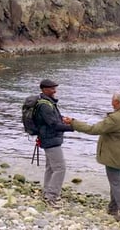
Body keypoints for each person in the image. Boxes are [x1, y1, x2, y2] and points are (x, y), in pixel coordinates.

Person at [65, 91, 120, 225]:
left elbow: (93, 129)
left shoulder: (115, 119)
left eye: (112, 99)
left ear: (117, 102)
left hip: (114, 156)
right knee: (117, 183)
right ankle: (112, 208)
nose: (111, 101)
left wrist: (73, 122)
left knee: (116, 185)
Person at [34, 79, 74, 208]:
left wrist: (65, 120)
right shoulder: (45, 105)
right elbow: (54, 125)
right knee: (60, 168)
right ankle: (51, 197)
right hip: (50, 140)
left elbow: (55, 120)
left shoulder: (48, 102)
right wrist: (73, 127)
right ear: (44, 89)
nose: (55, 91)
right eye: (52, 88)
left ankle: (47, 192)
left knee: (51, 167)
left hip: (49, 139)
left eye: (55, 88)